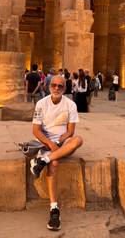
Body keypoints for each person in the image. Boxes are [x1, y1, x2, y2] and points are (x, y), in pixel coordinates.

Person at [29, 75, 83, 231]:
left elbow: (71, 131)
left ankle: (42, 161)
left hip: (62, 142)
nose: (57, 88)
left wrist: (59, 142)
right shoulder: (41, 104)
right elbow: (36, 131)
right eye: (54, 85)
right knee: (55, 163)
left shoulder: (70, 104)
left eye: (60, 86)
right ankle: (54, 209)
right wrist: (50, 143)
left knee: (78, 139)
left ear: (65, 88)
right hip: (45, 141)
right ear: (48, 86)